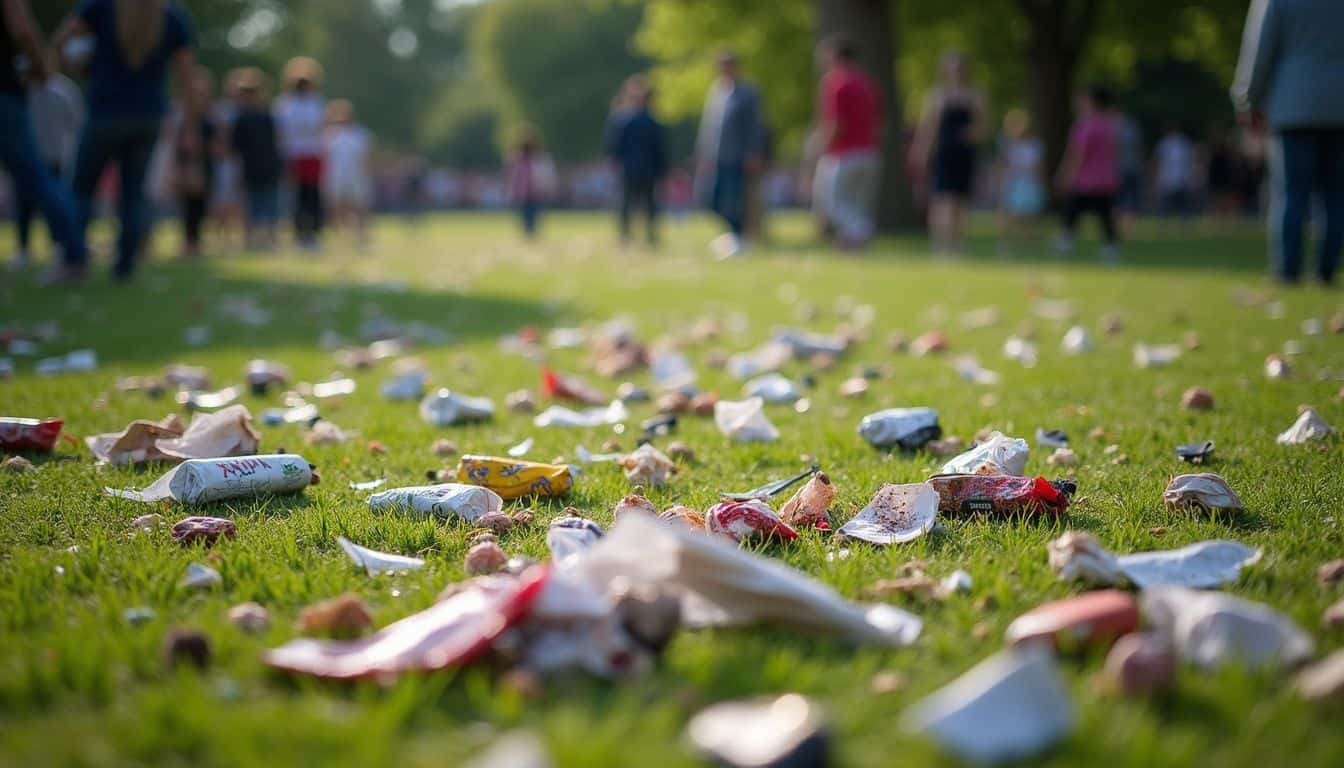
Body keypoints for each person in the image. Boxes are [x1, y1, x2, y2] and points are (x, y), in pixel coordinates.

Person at [51, 0, 199, 282]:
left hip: (105, 112)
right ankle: (125, 267)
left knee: (82, 189)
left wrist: (74, 61)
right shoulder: (173, 17)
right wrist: (190, 127)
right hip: (149, 116)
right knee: (132, 194)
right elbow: (187, 76)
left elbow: (62, 39)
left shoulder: (101, 8)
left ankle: (74, 260)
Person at [1232, 0, 1344, 286]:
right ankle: (1326, 269)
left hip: (1293, 106)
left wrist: (1247, 100)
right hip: (1339, 108)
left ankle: (1288, 270)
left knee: (1291, 193)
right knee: (1335, 195)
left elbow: (1258, 52)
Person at [1, 0, 86, 277]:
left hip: (52, 151)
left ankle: (68, 251)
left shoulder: (62, 91)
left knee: (31, 186)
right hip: (6, 94)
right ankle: (73, 252)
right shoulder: (53, 86)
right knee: (36, 182)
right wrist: (41, 68)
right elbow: (23, 29)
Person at [910, 51, 987, 254]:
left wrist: (973, 133)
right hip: (944, 153)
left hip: (964, 153)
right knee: (942, 199)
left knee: (961, 200)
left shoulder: (975, 95)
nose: (956, 73)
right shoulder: (937, 96)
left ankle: (958, 245)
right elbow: (928, 128)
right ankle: (941, 245)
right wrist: (921, 152)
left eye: (959, 68)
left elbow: (983, 126)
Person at [810, 36, 882, 250]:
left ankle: (863, 229)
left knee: (831, 203)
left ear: (834, 55)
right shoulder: (869, 83)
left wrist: (819, 148)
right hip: (869, 152)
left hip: (843, 154)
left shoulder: (835, 82)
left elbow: (835, 124)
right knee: (856, 205)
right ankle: (852, 247)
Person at [12, 67, 83, 269]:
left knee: (49, 201)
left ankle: (58, 246)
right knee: (26, 203)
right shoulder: (27, 90)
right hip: (35, 155)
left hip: (52, 156)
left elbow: (76, 121)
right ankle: (27, 248)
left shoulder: (61, 90)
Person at [695, 51, 763, 259]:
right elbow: (708, 127)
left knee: (735, 199)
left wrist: (754, 153)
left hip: (738, 157)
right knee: (710, 199)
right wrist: (703, 154)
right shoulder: (716, 92)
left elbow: (755, 127)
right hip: (716, 158)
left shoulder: (747, 93)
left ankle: (739, 237)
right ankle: (735, 233)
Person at [1055, 84, 1122, 261]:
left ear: (1091, 101)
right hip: (1106, 180)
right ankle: (1111, 248)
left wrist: (1066, 175)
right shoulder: (1110, 125)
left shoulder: (1085, 125)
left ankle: (1065, 242)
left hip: (1086, 181)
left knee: (1072, 211)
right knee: (1105, 216)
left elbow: (1077, 154)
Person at [606, 75, 667, 247]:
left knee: (647, 204)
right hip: (633, 169)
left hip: (645, 169)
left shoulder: (631, 120)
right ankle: (627, 235)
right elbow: (614, 146)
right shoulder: (628, 120)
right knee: (629, 204)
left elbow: (659, 149)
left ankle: (647, 235)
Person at [274, 56, 326, 250]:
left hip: (312, 154)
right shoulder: (284, 104)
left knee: (312, 195)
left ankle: (313, 233)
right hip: (294, 155)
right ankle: (299, 234)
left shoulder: (316, 103)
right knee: (296, 196)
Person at [229, 67, 281, 250]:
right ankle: (266, 240)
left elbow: (234, 147)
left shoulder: (243, 118)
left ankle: (253, 240)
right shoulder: (267, 115)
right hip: (265, 165)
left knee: (256, 203)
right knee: (265, 203)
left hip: (255, 165)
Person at [171, 65, 216, 259]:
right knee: (188, 204)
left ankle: (194, 242)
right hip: (187, 163)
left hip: (204, 162)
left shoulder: (209, 112)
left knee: (199, 204)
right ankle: (189, 242)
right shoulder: (183, 112)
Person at [323, 98, 373, 245]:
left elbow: (366, 157)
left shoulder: (361, 134)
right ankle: (341, 236)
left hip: (357, 176)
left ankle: (361, 236)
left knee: (360, 207)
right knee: (337, 207)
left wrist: (366, 175)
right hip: (335, 176)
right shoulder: (329, 135)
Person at [994, 108, 1045, 249]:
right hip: (1012, 182)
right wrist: (1000, 181)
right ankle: (1004, 242)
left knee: (1029, 214)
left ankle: (1028, 242)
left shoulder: (1034, 145)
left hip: (1028, 182)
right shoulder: (1006, 145)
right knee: (1007, 212)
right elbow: (1001, 165)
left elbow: (1039, 166)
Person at [505, 126, 556, 238]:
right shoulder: (516, 158)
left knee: (534, 218)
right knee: (525, 218)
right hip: (522, 194)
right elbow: (511, 177)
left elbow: (546, 176)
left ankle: (531, 235)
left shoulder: (540, 158)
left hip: (536, 193)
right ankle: (528, 235)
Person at [1154, 124, 1197, 219]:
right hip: (1170, 179)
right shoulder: (1166, 144)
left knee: (1181, 206)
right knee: (1170, 206)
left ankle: (1177, 222)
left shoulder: (1182, 143)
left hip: (1179, 179)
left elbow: (1190, 162)